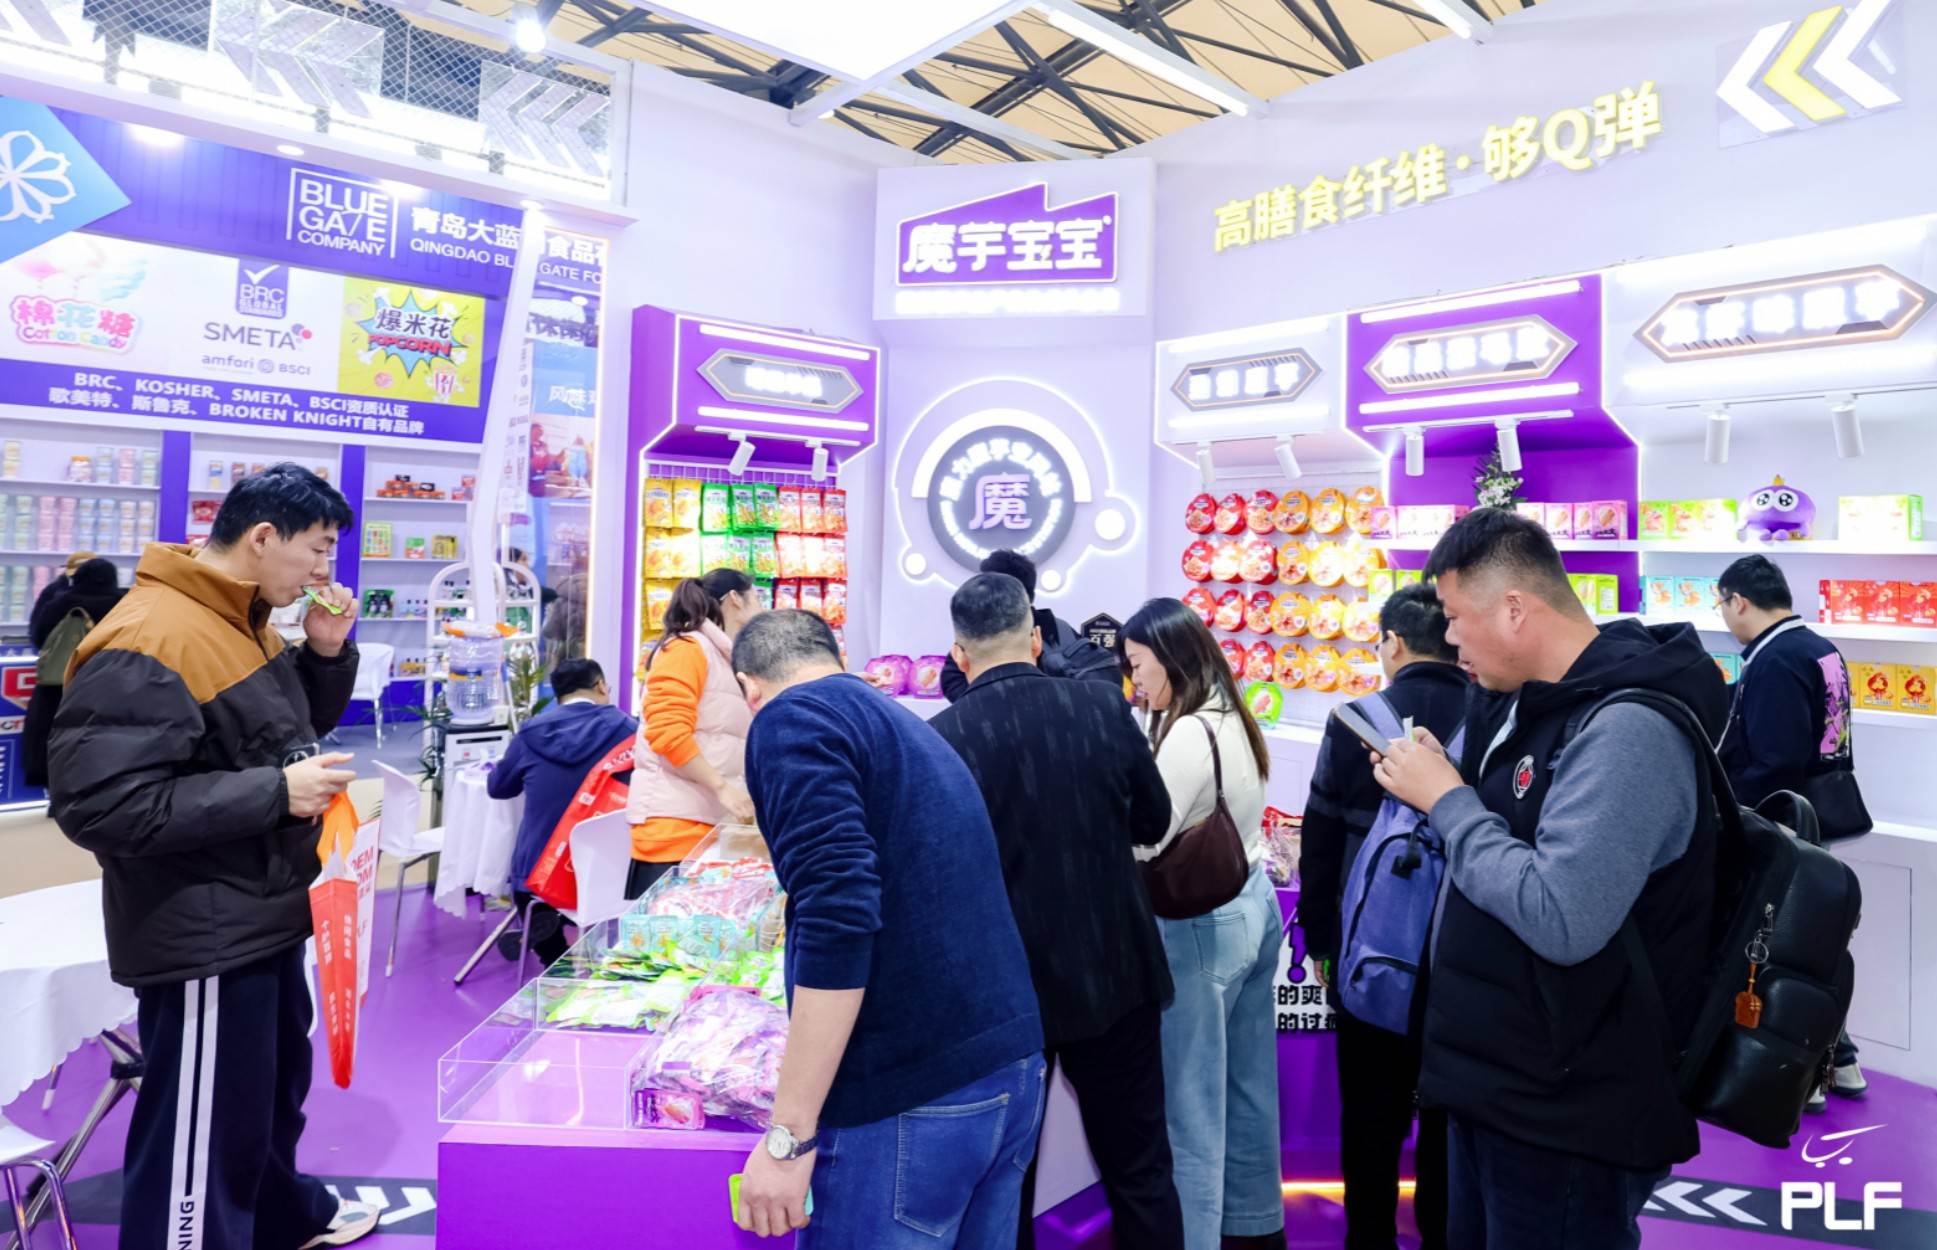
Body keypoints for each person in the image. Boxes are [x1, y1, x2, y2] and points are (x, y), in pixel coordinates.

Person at [1370, 508, 1728, 1250]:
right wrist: (1450, 776)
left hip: (1568, 1107)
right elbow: (1517, 832)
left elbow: (1563, 915)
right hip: (1503, 1080)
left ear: (1513, 608)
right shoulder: (1535, 703)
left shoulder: (1627, 730)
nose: (1450, 639)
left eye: (1456, 618)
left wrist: (1446, 801)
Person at [47, 463, 374, 1250]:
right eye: (317, 549)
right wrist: (276, 793)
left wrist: (325, 655)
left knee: (263, 1100)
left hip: (262, 910)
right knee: (200, 1131)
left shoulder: (241, 618)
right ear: (262, 537)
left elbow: (275, 736)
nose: (324, 572)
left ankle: (276, 1219)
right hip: (205, 930)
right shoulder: (152, 636)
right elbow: (100, 806)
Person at [730, 610, 1045, 1246]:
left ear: (748, 687)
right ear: (835, 659)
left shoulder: (790, 720)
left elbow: (838, 915)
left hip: (914, 1091)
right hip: (1005, 1063)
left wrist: (789, 1137)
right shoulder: (897, 720)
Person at [929, 574, 1184, 1250]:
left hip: (1005, 991)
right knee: (1139, 1170)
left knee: (1004, 1182)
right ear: (1036, 639)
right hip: (1114, 969)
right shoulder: (1100, 706)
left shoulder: (943, 738)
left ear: (959, 653)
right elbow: (1153, 820)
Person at [1300, 583, 1467, 1250]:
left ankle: (1368, 1237)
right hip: (1458, 960)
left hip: (1368, 957)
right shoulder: (1488, 714)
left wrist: (1320, 941)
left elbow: (1319, 837)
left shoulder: (1353, 719)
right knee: (1448, 1121)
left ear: (1393, 642)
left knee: (1370, 1117)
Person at [1119, 598, 1283, 1250]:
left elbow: (1146, 838)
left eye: (1138, 664)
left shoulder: (1188, 732)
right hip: (1253, 905)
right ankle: (1254, 1229)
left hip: (1200, 927)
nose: (1135, 680)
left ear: (1169, 655)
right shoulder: (1231, 713)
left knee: (1190, 1111)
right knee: (1248, 1092)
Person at [1715, 554, 1866, 1109]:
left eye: (1721, 603)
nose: (1724, 615)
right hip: (1814, 820)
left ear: (1739, 601)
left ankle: (1803, 1072)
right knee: (1809, 947)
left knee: (1777, 951)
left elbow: (1775, 760)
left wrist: (1727, 804)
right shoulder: (1820, 648)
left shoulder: (1776, 659)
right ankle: (1836, 1063)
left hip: (1780, 828)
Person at [489, 658, 639, 965]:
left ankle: (554, 955)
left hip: (542, 870)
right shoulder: (628, 729)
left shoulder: (531, 733)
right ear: (601, 686)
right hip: (611, 868)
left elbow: (499, 788)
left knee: (528, 870)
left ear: (558, 695)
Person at [625, 568, 762, 898]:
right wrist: (722, 788)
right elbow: (668, 731)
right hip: (676, 830)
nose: (763, 607)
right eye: (757, 597)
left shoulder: (726, 657)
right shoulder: (687, 648)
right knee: (665, 929)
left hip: (709, 826)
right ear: (735, 600)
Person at [932, 549, 1118, 703]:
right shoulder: (1059, 628)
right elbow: (952, 678)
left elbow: (952, 679)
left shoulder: (1055, 630)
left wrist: (986, 705)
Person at [23, 554, 124, 788]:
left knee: (55, 743)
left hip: (58, 687)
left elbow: (38, 637)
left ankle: (54, 793)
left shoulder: (58, 603)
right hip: (107, 688)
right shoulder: (123, 605)